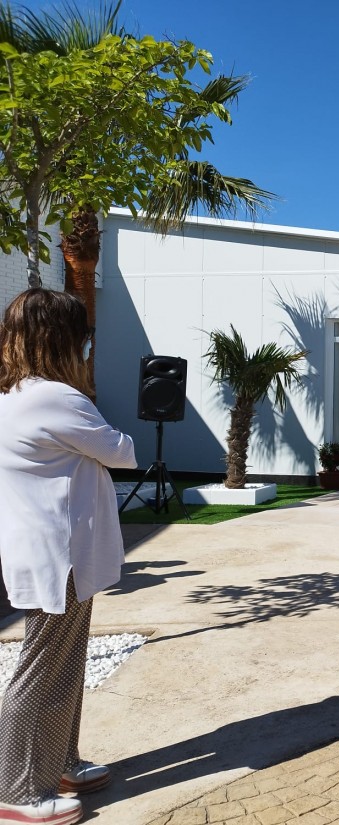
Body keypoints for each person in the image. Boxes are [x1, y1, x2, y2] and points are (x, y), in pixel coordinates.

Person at [0, 288, 137, 825]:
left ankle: (60, 764)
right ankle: (17, 792)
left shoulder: (15, 394)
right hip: (63, 557)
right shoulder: (56, 398)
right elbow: (121, 451)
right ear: (61, 339)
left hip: (49, 550)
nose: (87, 346)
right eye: (83, 336)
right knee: (43, 669)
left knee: (63, 663)